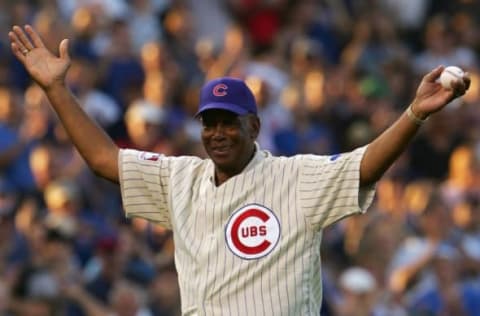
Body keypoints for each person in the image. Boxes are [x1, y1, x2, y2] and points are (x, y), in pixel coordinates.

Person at [7, 25, 470, 316]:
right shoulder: (180, 178)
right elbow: (105, 160)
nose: (218, 133)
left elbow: (364, 165)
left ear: (254, 126)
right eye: (210, 123)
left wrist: (414, 114)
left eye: (229, 123)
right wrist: (56, 90)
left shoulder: (295, 178)